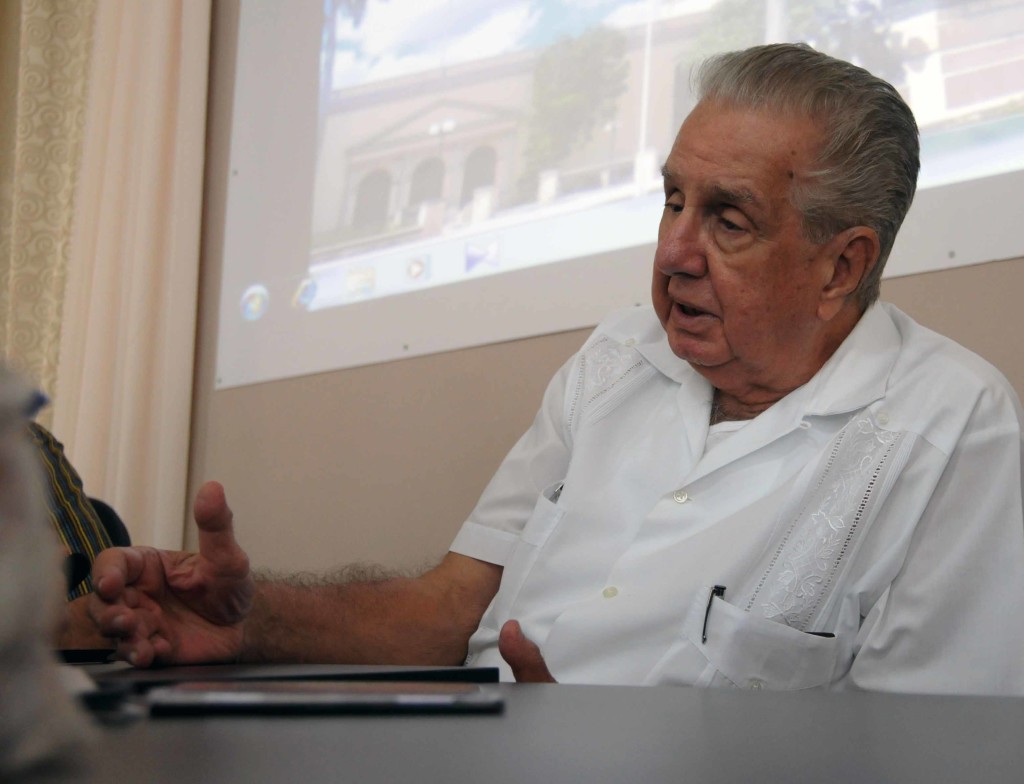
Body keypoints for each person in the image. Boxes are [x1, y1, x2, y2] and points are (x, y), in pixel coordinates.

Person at [88, 43, 1024, 694]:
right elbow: (451, 606)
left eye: (727, 219)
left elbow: (926, 751)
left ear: (841, 267)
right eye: (672, 201)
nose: (674, 252)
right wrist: (249, 624)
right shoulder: (616, 358)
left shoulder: (952, 427)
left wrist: (594, 745)